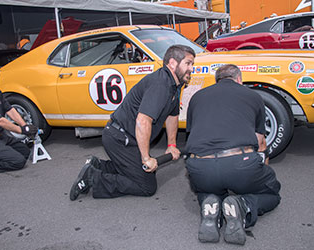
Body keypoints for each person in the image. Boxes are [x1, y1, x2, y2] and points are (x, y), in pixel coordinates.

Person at [69, 45, 195, 201]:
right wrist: (145, 158)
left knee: (146, 171)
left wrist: (171, 145)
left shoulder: (174, 84)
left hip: (129, 138)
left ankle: (99, 165)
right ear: (172, 63)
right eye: (188, 63)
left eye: (192, 65)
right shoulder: (160, 84)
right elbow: (143, 120)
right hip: (120, 138)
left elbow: (172, 115)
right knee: (146, 186)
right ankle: (93, 178)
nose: (191, 69)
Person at [185, 64, 281, 245]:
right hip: (239, 164)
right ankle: (243, 206)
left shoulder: (197, 97)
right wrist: (258, 174)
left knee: (207, 189)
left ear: (217, 81)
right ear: (239, 80)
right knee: (272, 195)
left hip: (200, 167)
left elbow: (192, 135)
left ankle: (211, 204)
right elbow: (260, 142)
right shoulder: (253, 96)